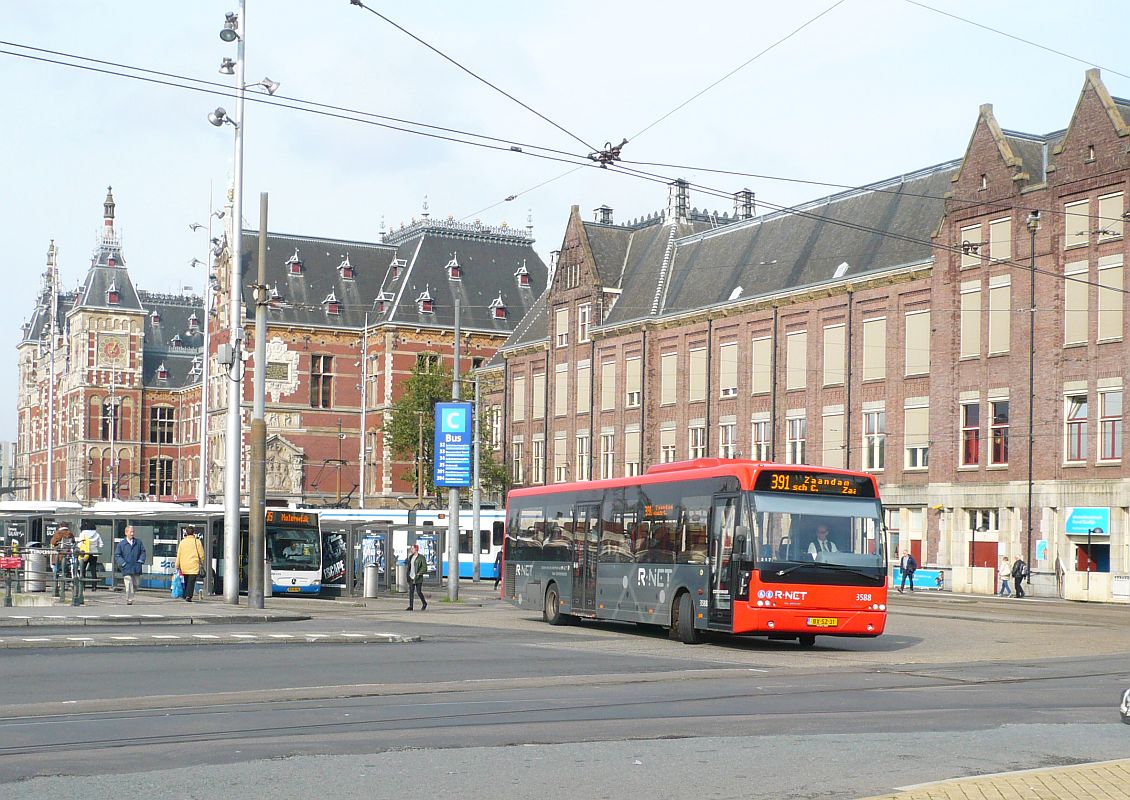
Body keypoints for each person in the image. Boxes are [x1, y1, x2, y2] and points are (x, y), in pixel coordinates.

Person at [114, 525, 146, 605]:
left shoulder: (138, 542)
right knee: (128, 583)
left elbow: (143, 552)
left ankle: (131, 595)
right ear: (126, 533)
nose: (132, 534)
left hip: (136, 567)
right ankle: (129, 599)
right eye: (130, 532)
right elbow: (117, 555)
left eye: (133, 532)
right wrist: (123, 563)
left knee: (136, 584)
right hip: (126, 567)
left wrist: (140, 561)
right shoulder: (121, 544)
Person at [174, 528, 205, 603]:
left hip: (184, 565)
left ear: (186, 533)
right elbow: (201, 554)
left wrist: (177, 565)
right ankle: (188, 596)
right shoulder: (197, 542)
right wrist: (201, 561)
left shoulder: (182, 542)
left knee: (186, 580)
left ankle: (185, 594)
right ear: (194, 533)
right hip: (194, 565)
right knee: (191, 581)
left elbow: (179, 554)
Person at [78, 524, 104, 591]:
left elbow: (79, 544)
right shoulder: (97, 534)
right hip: (94, 553)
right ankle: (94, 586)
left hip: (85, 553)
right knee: (93, 570)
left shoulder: (83, 533)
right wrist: (94, 546)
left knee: (82, 569)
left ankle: (82, 586)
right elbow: (101, 544)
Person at [405, 543, 428, 611]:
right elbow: (409, 566)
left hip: (418, 578)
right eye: (411, 548)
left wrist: (418, 574)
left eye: (412, 548)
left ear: (416, 549)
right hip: (411, 577)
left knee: (418, 592)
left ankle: (424, 603)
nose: (411, 550)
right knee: (411, 592)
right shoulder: (411, 557)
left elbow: (424, 567)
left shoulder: (421, 558)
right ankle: (411, 606)